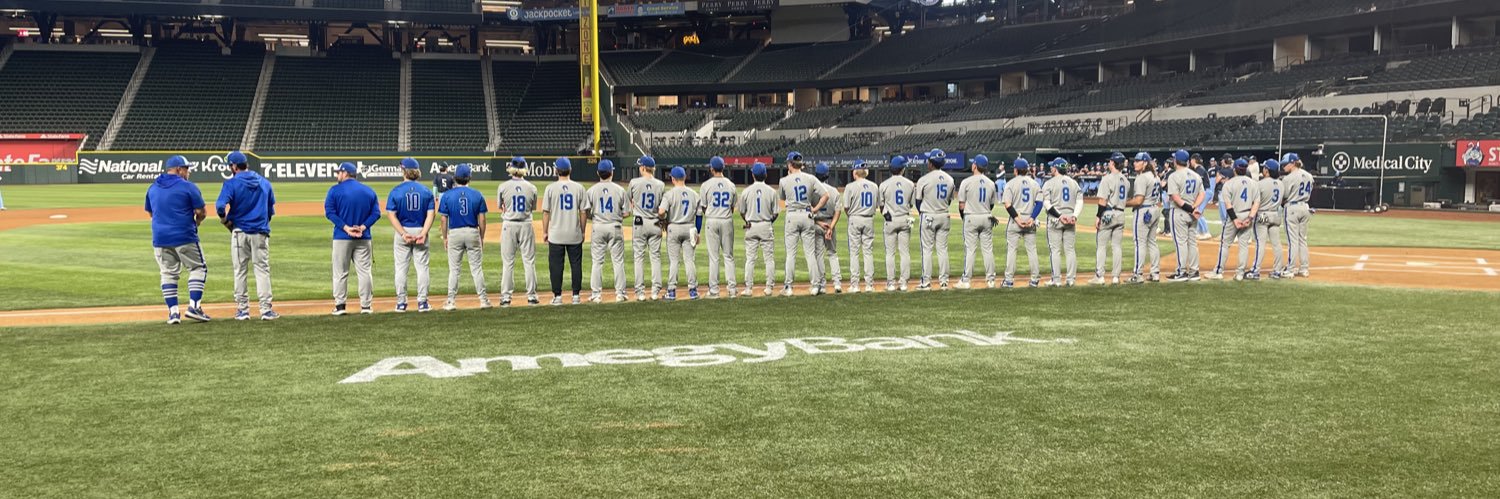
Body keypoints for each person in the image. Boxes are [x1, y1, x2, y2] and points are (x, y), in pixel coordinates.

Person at [147, 155, 210, 324]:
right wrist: (196, 223)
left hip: (160, 238)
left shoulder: (153, 188)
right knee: (198, 267)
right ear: (179, 169)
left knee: (167, 273)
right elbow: (201, 212)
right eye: (186, 169)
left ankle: (173, 313)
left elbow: (151, 213)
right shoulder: (188, 187)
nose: (188, 172)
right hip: (184, 235)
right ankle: (194, 307)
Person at [215, 150, 278, 320]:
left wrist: (225, 221)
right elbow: (270, 211)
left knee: (240, 270)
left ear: (234, 167)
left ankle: (243, 310)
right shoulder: (264, 183)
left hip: (239, 232)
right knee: (262, 270)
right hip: (260, 232)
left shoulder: (231, 183)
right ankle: (266, 310)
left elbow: (220, 206)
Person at [324, 161, 381, 315]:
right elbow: (376, 214)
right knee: (364, 272)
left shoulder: (334, 190)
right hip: (364, 237)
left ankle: (340, 306)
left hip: (342, 237)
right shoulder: (369, 191)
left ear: (345, 173)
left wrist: (346, 227)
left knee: (341, 272)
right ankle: (366, 307)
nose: (337, 175)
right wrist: (363, 227)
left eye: (338, 172)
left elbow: (329, 212)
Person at [386, 157, 435, 313]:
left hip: (403, 231)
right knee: (422, 268)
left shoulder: (395, 191)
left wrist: (403, 233)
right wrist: (424, 233)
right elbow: (431, 214)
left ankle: (401, 303)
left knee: (401, 268)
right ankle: (422, 303)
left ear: (403, 171)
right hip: (421, 229)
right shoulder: (426, 191)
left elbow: (391, 214)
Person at [438, 163, 490, 310]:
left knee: (454, 270)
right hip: (472, 231)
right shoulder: (477, 194)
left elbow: (443, 219)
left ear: (455, 178)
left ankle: (451, 301)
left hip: (454, 232)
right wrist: (481, 236)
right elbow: (482, 219)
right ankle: (483, 300)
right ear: (469, 178)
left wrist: (445, 237)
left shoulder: (447, 195)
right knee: (476, 269)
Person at [779, 152, 827, 296]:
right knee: (810, 253)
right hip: (807, 215)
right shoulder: (811, 178)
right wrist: (815, 209)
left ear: (789, 164)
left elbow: (782, 199)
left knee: (791, 254)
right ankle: (815, 286)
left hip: (792, 215)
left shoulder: (784, 181)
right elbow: (826, 195)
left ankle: (788, 287)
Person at [542, 157, 586, 305]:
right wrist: (583, 231)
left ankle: (558, 296)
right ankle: (575, 296)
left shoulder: (550, 188)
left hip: (556, 234)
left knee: (555, 266)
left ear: (556, 171)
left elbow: (546, 212)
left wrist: (545, 231)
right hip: (574, 233)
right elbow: (583, 212)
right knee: (576, 264)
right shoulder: (579, 188)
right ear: (570, 170)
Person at [1208, 159, 1260, 280]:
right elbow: (1256, 203)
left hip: (1234, 216)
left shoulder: (1229, 183)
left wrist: (1235, 219)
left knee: (1225, 244)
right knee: (1243, 245)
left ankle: (1218, 271)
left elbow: (1228, 204)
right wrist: (1250, 218)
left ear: (1234, 169)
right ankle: (1240, 273)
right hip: (1247, 214)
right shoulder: (1253, 183)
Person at [497, 156, 539, 306]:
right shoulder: (532, 187)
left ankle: (506, 297)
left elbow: (500, 206)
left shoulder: (503, 186)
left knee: (508, 262)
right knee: (529, 261)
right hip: (526, 224)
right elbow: (533, 208)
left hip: (509, 224)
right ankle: (532, 296)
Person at [585, 159, 629, 303]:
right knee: (618, 261)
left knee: (597, 261)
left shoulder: (591, 190)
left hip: (598, 226)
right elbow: (627, 212)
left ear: (598, 173)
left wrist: (594, 216)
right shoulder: (620, 189)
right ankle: (620, 294)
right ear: (612, 172)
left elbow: (585, 211)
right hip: (615, 226)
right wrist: (616, 215)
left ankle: (596, 294)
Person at [914, 148, 955, 290]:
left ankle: (926, 282)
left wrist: (924, 213)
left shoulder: (923, 179)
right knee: (942, 249)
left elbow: (918, 202)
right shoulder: (950, 179)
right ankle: (944, 282)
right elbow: (950, 200)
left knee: (927, 250)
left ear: (931, 163)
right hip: (944, 215)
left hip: (928, 215)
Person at [659, 166, 702, 300]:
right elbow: (699, 215)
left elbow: (661, 212)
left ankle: (671, 291)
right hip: (689, 228)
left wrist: (664, 220)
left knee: (674, 261)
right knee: (689, 260)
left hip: (674, 227)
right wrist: (698, 232)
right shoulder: (694, 194)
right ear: (685, 178)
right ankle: (693, 291)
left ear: (672, 178)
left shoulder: (669, 194)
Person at [737, 161, 779, 296]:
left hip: (751, 226)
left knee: (750, 259)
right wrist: (768, 222)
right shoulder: (772, 191)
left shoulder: (746, 191)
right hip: (766, 224)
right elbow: (776, 212)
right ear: (766, 175)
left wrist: (747, 221)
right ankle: (769, 288)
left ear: (753, 175)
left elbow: (742, 212)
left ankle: (748, 289)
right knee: (769, 258)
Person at [836, 160, 879, 293]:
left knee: (854, 253)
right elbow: (876, 205)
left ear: (855, 172)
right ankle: (869, 285)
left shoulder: (850, 186)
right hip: (869, 219)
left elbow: (846, 208)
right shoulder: (874, 186)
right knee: (868, 252)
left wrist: (852, 216)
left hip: (855, 218)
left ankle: (854, 285)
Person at [698, 156, 738, 298]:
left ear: (711, 169)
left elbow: (703, 207)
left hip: (712, 220)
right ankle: (732, 290)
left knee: (714, 257)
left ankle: (714, 290)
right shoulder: (731, 185)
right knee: (728, 256)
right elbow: (733, 207)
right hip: (727, 220)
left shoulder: (706, 185)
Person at [955, 154, 997, 289]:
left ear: (974, 166)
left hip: (971, 217)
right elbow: (991, 205)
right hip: (986, 217)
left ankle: (966, 280)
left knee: (970, 250)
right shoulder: (991, 183)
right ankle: (991, 280)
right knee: (988, 250)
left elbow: (961, 205)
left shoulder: (966, 182)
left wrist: (964, 218)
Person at [628, 156, 666, 300]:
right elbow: (663, 207)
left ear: (643, 168)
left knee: (639, 257)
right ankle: (655, 291)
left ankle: (640, 293)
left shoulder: (634, 182)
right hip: (655, 222)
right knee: (655, 257)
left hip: (639, 222)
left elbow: (629, 201)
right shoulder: (661, 185)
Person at [1001, 158, 1042, 287]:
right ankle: (1035, 280)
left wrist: (1017, 219)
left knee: (1012, 250)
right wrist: (1032, 218)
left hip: (1015, 220)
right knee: (1032, 250)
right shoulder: (1034, 183)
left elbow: (1008, 204)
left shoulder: (1011, 183)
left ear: (1016, 170)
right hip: (1030, 221)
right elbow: (1039, 203)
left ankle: (1008, 280)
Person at [1165, 149, 1204, 282]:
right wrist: (1194, 208)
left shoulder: (1174, 176)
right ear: (1187, 161)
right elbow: (1202, 194)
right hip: (1192, 214)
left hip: (1179, 212)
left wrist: (1189, 208)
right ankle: (1194, 271)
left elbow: (1175, 198)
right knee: (1192, 242)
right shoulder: (1196, 175)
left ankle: (1181, 272)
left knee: (1181, 242)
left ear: (1176, 161)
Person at [1043, 157, 1082, 287]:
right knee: (1070, 250)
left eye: (1052, 166)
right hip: (1070, 218)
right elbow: (1080, 201)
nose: (1051, 168)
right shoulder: (1074, 183)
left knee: (1055, 250)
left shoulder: (1049, 183)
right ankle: (1071, 280)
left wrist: (1059, 216)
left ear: (1055, 168)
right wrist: (1074, 216)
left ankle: (1056, 280)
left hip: (1055, 219)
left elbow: (1047, 203)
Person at [878, 155, 915, 291]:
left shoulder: (883, 184)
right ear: (903, 169)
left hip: (890, 219)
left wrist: (886, 214)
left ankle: (891, 283)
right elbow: (911, 205)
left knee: (890, 253)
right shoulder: (910, 184)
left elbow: (881, 206)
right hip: (905, 218)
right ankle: (904, 283)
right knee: (905, 252)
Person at [1091, 152, 1129, 285]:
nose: (1108, 163)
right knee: (1117, 246)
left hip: (1108, 213)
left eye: (1110, 161)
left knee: (1101, 246)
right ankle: (1115, 277)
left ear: (1113, 163)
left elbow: (1102, 200)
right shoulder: (1125, 179)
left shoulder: (1107, 178)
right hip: (1121, 213)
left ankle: (1100, 276)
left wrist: (1098, 216)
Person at [1127, 152, 1162, 284]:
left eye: (1138, 161)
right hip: (1154, 209)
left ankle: (1137, 274)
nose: (1134, 163)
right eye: (1134, 161)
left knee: (1139, 243)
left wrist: (1122, 203)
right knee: (1152, 242)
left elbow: (1138, 200)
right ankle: (1155, 273)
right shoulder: (1155, 176)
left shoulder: (1142, 178)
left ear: (1145, 163)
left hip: (1143, 210)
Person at [1280, 152, 1314, 278]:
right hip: (1305, 207)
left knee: (1292, 240)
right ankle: (1304, 268)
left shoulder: (1288, 178)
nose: (1283, 166)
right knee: (1302, 240)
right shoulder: (1309, 175)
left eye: (1285, 164)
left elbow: (1284, 196)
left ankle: (1290, 268)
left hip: (1292, 207)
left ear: (1293, 163)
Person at [812, 162, 843, 293]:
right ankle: (837, 284)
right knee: (832, 253)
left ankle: (822, 285)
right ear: (827, 175)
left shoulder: (812, 191)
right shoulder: (834, 191)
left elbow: (809, 209)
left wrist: (819, 223)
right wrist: (831, 227)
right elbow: (838, 211)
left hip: (817, 223)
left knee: (818, 254)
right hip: (830, 222)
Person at [1254, 159, 1286, 279]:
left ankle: (1255, 270)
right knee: (1277, 244)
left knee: (1260, 243)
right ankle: (1277, 270)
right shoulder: (1281, 184)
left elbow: (1255, 201)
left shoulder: (1260, 183)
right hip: (1276, 215)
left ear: (1267, 170)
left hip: (1263, 214)